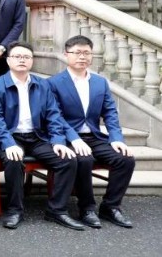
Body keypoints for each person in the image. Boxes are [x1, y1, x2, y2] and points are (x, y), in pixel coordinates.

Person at [0, 41, 83, 230]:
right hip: (11, 137)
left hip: (37, 137)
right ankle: (15, 210)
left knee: (67, 160)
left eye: (26, 57)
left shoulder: (42, 84)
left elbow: (54, 114)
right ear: (8, 60)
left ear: (32, 61)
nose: (22, 60)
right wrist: (8, 143)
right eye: (17, 56)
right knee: (14, 160)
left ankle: (57, 210)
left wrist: (58, 141)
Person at [48, 35, 136, 229]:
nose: (82, 57)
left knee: (125, 159)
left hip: (94, 136)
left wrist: (116, 138)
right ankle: (87, 208)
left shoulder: (100, 82)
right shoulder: (53, 83)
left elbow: (110, 113)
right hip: (68, 137)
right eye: (77, 52)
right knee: (84, 159)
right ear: (66, 54)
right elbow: (55, 116)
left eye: (87, 53)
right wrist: (74, 138)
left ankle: (110, 207)